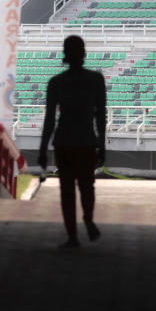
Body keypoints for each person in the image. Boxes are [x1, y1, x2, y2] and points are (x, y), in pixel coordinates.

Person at [38, 35, 107, 248]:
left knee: (66, 191)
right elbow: (100, 116)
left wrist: (42, 149)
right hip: (86, 141)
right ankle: (87, 219)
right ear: (84, 54)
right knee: (87, 187)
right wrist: (102, 144)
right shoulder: (96, 79)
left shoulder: (56, 83)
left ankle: (73, 236)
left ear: (65, 54)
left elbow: (50, 120)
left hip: (64, 142)